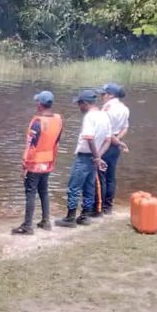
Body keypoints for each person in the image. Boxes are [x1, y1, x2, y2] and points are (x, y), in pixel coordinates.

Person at [56, 90, 112, 228]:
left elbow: (89, 138)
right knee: (89, 187)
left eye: (79, 104)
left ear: (85, 104)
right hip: (94, 158)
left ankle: (70, 218)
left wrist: (96, 157)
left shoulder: (89, 117)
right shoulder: (104, 116)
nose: (78, 107)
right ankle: (85, 216)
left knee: (74, 187)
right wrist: (98, 157)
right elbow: (108, 140)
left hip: (85, 157)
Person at [12, 90, 63, 235]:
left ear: (40, 104)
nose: (36, 104)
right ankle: (45, 221)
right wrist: (53, 160)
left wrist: (25, 164)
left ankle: (28, 226)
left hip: (34, 163)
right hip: (48, 162)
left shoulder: (37, 122)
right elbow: (57, 142)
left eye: (37, 102)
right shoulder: (58, 120)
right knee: (44, 191)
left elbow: (31, 146)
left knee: (30, 193)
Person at [98, 83, 131, 215]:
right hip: (115, 145)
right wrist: (117, 140)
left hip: (104, 144)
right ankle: (108, 207)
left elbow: (104, 129)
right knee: (111, 176)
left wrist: (114, 140)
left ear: (110, 95)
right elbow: (125, 127)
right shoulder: (124, 108)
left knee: (101, 176)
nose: (101, 96)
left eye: (103, 94)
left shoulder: (107, 108)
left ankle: (98, 208)